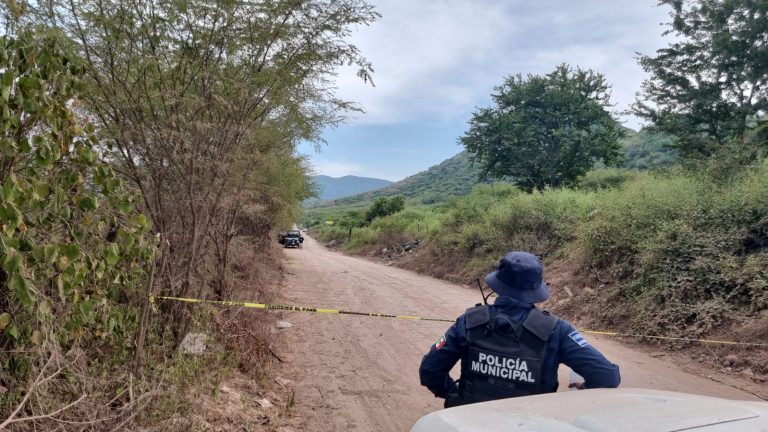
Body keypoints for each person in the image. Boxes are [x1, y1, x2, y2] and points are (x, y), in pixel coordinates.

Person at [419, 251, 621, 408]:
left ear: (497, 284)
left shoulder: (469, 322)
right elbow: (607, 376)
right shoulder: (556, 330)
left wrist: (453, 394)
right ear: (535, 289)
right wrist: (584, 388)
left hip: (470, 421)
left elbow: (430, 370)